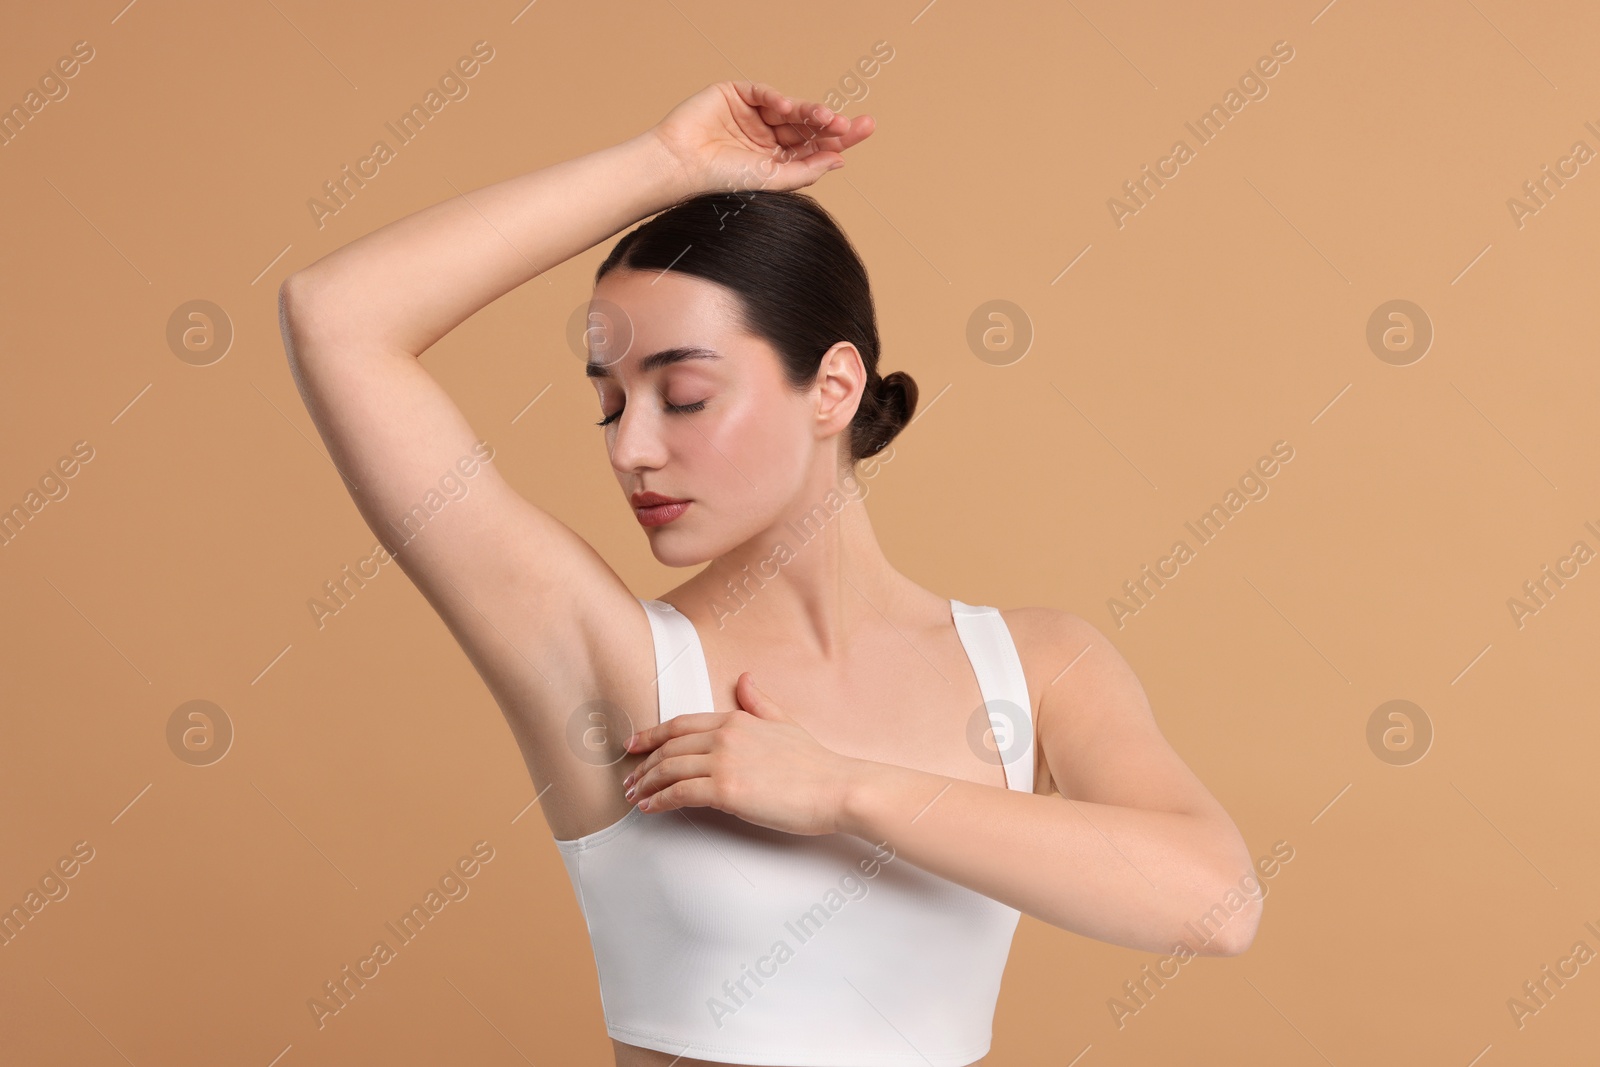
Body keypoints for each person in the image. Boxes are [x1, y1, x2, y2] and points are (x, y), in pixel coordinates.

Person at [277, 80, 1259, 1067]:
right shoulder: (609, 659)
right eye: (610, 405)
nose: (631, 449)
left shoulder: (1036, 666)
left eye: (686, 394)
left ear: (831, 386)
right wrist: (664, 167)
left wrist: (840, 788)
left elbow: (1216, 903)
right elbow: (336, 317)